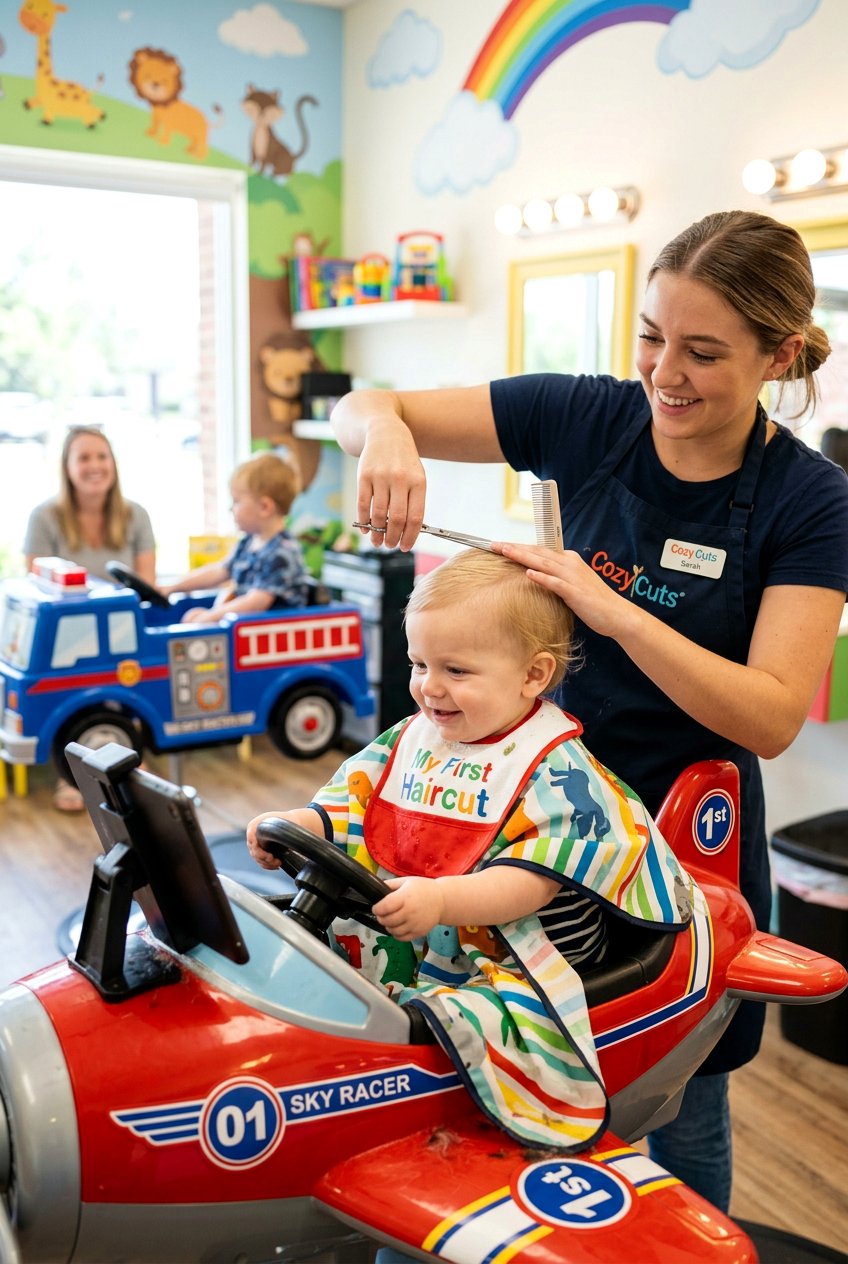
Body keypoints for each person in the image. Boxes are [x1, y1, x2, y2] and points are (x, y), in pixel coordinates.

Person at [330, 209, 848, 1213]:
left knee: (677, 1097)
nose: (664, 373)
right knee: (511, 1069)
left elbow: (771, 715)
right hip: (535, 820)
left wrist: (609, 610)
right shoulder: (584, 417)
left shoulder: (809, 500)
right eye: (651, 336)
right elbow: (368, 402)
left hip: (681, 850)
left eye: (703, 353)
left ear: (778, 354)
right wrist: (385, 434)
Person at [248, 548, 695, 1155]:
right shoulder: (416, 737)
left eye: (455, 670)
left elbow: (527, 885)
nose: (428, 687)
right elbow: (355, 800)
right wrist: (298, 823)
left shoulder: (554, 768)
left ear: (533, 676)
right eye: (418, 663)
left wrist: (440, 900)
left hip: (518, 953)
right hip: (423, 933)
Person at [23, 425, 156, 812]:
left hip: (121, 631)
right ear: (67, 467)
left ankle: (127, 759)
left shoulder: (135, 515)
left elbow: (145, 586)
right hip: (66, 636)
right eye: (84, 458)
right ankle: (75, 773)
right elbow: (38, 586)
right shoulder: (44, 517)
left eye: (102, 456)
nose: (95, 466)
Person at [160, 451, 310, 624]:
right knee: (192, 615)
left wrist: (208, 618)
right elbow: (220, 571)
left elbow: (255, 603)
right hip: (247, 628)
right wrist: (174, 586)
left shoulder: (282, 553)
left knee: (197, 620)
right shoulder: (248, 542)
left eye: (237, 501)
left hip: (274, 631)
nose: (231, 509)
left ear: (264, 507)